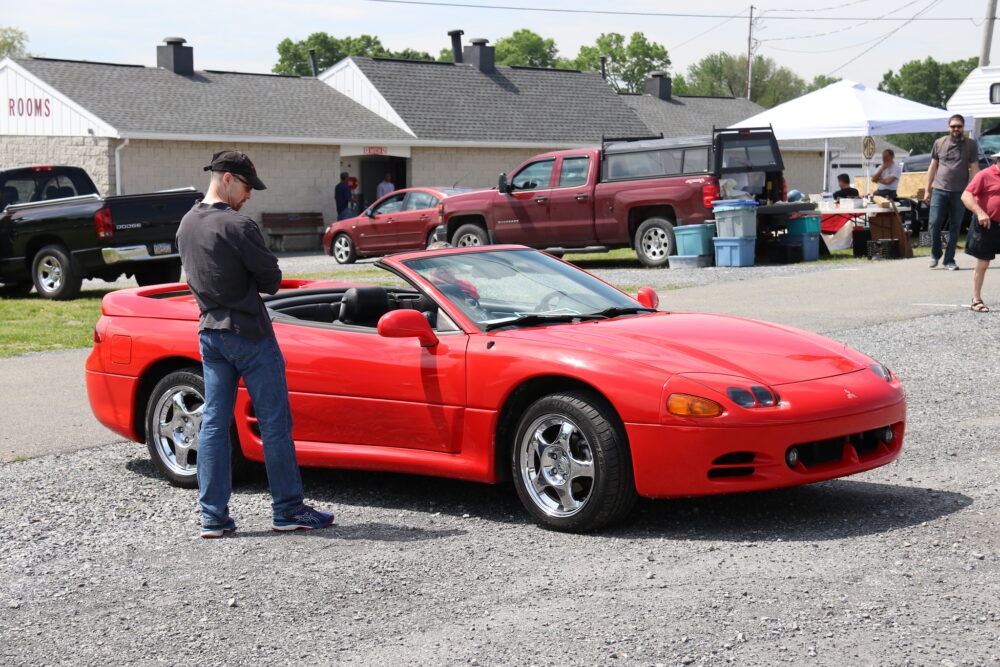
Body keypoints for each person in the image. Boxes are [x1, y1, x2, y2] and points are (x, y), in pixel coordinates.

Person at [176, 150, 334, 538]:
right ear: (227, 178)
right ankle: (288, 509)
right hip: (250, 334)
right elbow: (271, 281)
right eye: (247, 186)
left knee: (214, 423)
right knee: (275, 423)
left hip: (210, 333)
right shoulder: (238, 226)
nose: (249, 196)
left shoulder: (186, 225)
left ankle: (212, 517)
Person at [926, 114, 980, 271]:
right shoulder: (940, 143)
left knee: (956, 226)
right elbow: (932, 167)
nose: (956, 129)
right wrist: (927, 189)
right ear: (948, 127)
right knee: (934, 223)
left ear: (963, 127)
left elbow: (975, 168)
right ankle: (935, 253)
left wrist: (974, 190)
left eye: (959, 126)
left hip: (960, 192)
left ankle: (949, 259)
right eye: (953, 126)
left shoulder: (970, 145)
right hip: (940, 189)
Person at [960, 151, 1000, 313]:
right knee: (983, 262)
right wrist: (980, 212)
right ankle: (976, 299)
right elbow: (966, 195)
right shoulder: (985, 175)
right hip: (987, 223)